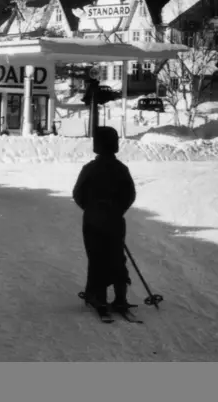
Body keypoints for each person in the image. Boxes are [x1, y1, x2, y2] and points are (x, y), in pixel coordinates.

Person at [72, 126, 137, 316]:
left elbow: (78, 193)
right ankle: (120, 298)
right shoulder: (121, 169)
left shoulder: (89, 169)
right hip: (115, 220)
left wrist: (92, 209)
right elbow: (130, 194)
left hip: (93, 220)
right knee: (117, 257)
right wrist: (117, 211)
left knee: (97, 258)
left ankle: (99, 297)